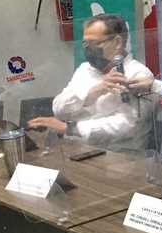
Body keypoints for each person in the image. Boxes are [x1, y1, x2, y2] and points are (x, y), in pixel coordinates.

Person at [29, 13, 152, 155]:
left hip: (120, 156)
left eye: (94, 43)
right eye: (85, 44)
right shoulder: (85, 69)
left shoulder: (138, 74)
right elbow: (59, 109)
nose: (88, 49)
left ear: (117, 42)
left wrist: (71, 128)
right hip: (79, 149)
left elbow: (129, 125)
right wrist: (90, 94)